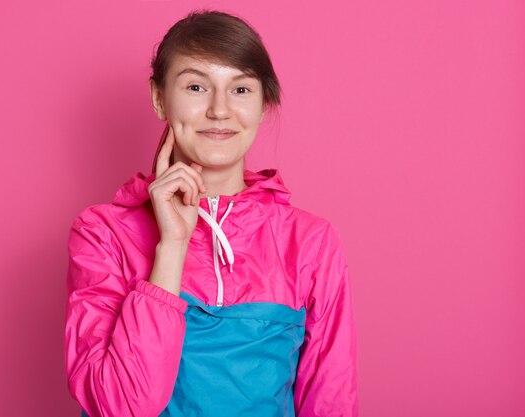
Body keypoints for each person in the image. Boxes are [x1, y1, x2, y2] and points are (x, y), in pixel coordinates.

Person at [64, 10, 358, 417]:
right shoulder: (101, 234)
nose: (220, 110)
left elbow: (330, 401)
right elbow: (121, 408)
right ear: (158, 98)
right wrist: (172, 246)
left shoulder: (311, 241)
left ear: (263, 105)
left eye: (240, 90)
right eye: (197, 86)